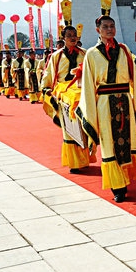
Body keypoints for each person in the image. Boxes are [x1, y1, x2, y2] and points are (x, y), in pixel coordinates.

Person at [77, 15, 136, 203]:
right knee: (109, 143)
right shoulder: (92, 53)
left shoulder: (124, 50)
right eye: (105, 26)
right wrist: (90, 112)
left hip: (124, 101)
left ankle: (124, 179)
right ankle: (117, 186)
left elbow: (134, 76)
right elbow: (88, 85)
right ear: (98, 30)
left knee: (126, 142)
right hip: (105, 103)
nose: (110, 29)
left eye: (112, 26)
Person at [41, 26, 91, 174]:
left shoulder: (85, 53)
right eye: (69, 35)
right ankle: (74, 162)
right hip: (64, 91)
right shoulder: (56, 56)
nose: (73, 38)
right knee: (70, 129)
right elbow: (49, 73)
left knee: (84, 127)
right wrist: (46, 88)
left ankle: (84, 159)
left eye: (75, 35)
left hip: (81, 89)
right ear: (63, 38)